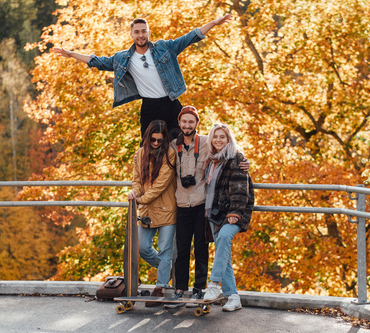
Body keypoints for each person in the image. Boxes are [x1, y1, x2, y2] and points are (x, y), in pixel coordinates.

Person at [53, 15, 232, 141]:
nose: (140, 35)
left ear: (148, 33)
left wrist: (214, 23)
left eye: (143, 31)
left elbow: (190, 37)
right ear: (131, 35)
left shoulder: (165, 48)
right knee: (149, 147)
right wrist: (70, 54)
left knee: (185, 142)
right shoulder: (123, 58)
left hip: (171, 103)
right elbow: (97, 62)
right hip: (149, 107)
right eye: (137, 32)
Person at [165, 106, 250, 309]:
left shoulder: (214, 147)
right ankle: (185, 291)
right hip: (192, 207)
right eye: (184, 121)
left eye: (191, 122)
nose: (187, 125)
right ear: (179, 123)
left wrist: (245, 161)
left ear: (196, 124)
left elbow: (236, 174)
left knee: (206, 248)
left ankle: (204, 288)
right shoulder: (175, 147)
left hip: (212, 209)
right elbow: (156, 159)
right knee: (186, 249)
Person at [202, 123, 254, 312]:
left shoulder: (236, 158)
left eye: (222, 137)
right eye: (215, 136)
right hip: (213, 214)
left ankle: (214, 284)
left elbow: (241, 189)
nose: (218, 140)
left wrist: (235, 213)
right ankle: (233, 297)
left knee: (224, 239)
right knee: (223, 255)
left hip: (233, 214)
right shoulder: (211, 159)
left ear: (228, 139)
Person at [127, 120, 177, 307]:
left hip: (166, 210)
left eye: (160, 141)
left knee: (165, 250)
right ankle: (166, 269)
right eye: (153, 140)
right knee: (141, 247)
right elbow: (137, 180)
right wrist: (134, 192)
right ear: (147, 138)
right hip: (146, 211)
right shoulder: (140, 154)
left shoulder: (169, 154)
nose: (156, 144)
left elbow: (160, 185)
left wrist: (140, 199)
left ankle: (160, 287)